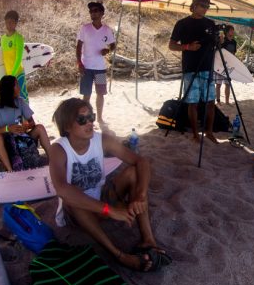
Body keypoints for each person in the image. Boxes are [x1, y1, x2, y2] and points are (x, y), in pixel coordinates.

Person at [49, 98, 171, 272]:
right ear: (67, 126)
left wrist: (141, 195)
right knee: (72, 197)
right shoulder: (59, 149)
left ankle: (148, 240)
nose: (89, 122)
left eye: (91, 117)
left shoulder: (102, 140)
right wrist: (109, 210)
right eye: (82, 119)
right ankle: (119, 255)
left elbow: (141, 161)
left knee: (133, 172)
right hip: (78, 214)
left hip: (103, 199)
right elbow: (62, 189)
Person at [168, 0, 219, 143]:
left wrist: (219, 41)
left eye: (207, 7)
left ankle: (209, 132)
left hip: (207, 68)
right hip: (190, 68)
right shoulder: (182, 24)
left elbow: (216, 46)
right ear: (194, 6)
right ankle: (195, 134)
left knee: (210, 101)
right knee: (193, 102)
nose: (205, 9)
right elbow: (171, 45)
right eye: (203, 6)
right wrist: (187, 47)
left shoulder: (211, 23)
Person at [0, 75, 50, 172]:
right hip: (7, 143)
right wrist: (8, 128)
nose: (19, 87)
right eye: (16, 85)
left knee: (40, 128)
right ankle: (10, 170)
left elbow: (32, 122)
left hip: (22, 138)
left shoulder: (20, 101)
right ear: (9, 88)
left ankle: (52, 158)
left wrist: (26, 127)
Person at [76, 2, 116, 124]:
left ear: (102, 13)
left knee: (100, 94)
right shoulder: (85, 28)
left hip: (100, 68)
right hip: (86, 67)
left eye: (95, 10)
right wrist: (79, 63)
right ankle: (87, 118)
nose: (93, 13)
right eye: (91, 11)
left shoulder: (107, 30)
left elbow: (113, 45)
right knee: (86, 95)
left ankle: (99, 118)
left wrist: (108, 50)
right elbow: (78, 47)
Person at [1, 10, 28, 102]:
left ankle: (26, 117)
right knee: (11, 101)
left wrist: (13, 75)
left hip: (18, 74)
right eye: (7, 22)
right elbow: (4, 58)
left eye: (12, 22)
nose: (9, 24)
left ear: (16, 23)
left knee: (22, 99)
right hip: (8, 75)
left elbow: (18, 58)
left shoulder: (18, 38)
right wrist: (7, 76)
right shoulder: (3, 39)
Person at [214, 25, 237, 105]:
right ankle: (218, 101)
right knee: (218, 84)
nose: (232, 32)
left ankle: (227, 101)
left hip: (229, 66)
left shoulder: (234, 42)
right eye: (231, 30)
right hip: (220, 65)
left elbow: (234, 53)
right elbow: (218, 51)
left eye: (233, 30)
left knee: (228, 84)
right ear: (227, 31)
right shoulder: (223, 41)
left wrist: (233, 63)